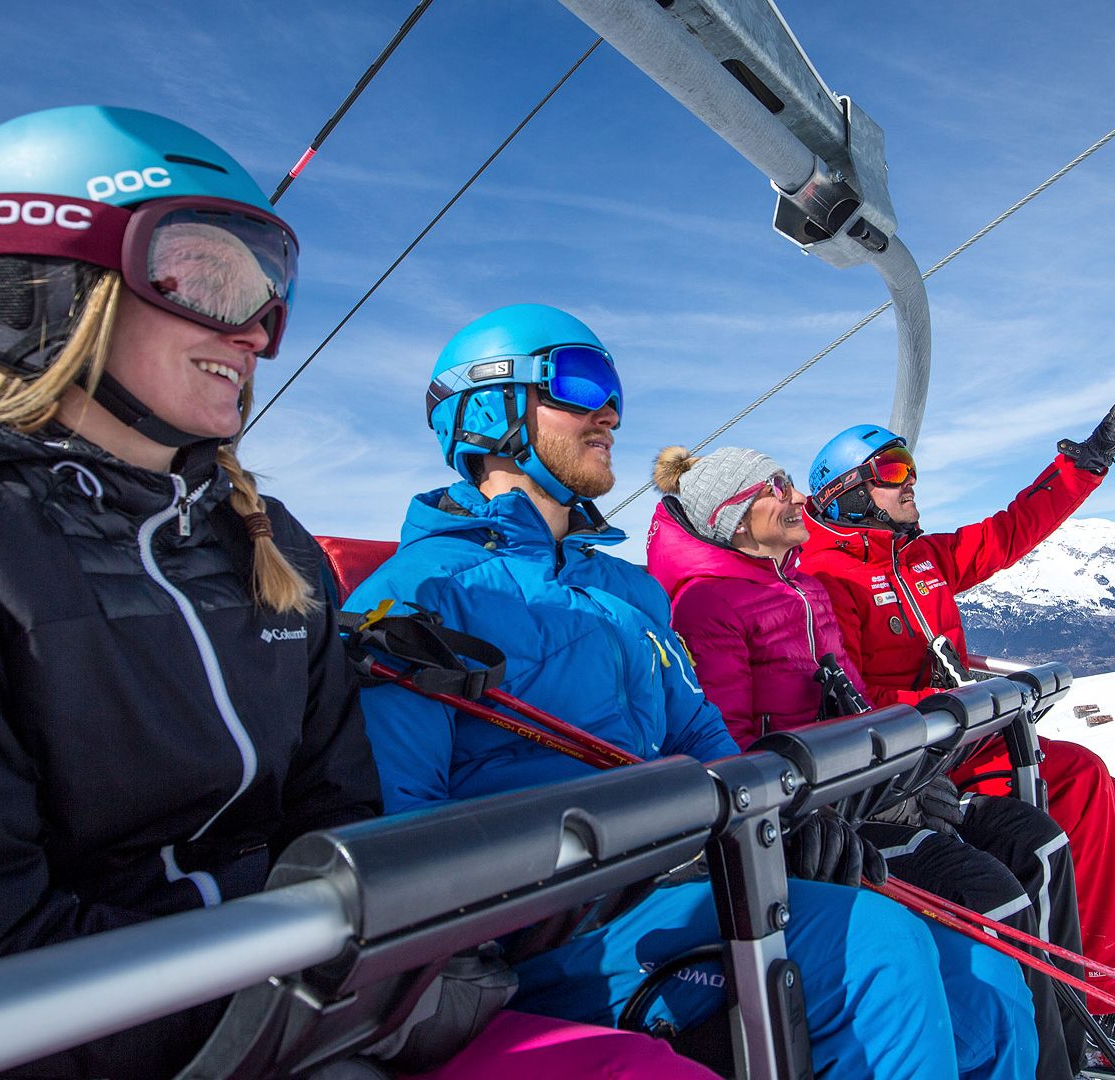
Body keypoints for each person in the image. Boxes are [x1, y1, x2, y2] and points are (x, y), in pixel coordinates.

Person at [0, 106, 705, 1079]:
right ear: (36, 282)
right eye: (207, 276)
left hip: (351, 1006)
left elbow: (353, 822)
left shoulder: (265, 546)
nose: (254, 330)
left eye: (267, 296)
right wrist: (329, 975)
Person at [345, 303, 1039, 1080]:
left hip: (681, 877)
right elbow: (402, 831)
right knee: (880, 952)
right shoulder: (418, 599)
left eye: (614, 391)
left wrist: (783, 824)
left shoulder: (628, 592)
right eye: (580, 383)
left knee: (985, 983)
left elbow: (707, 738)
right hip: (564, 934)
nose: (608, 411)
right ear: (486, 410)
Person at [645, 444, 1091, 1080]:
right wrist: (804, 813)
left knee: (1034, 840)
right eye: (777, 488)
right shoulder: (709, 605)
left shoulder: (805, 591)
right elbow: (727, 748)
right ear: (737, 518)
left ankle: (1073, 1041)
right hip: (806, 814)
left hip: (863, 791)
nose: (798, 498)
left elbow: (856, 716)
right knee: (987, 893)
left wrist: (912, 778)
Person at [799, 392, 1115, 1025]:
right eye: (890, 472)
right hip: (916, 760)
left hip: (967, 734)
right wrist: (946, 701)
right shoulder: (828, 577)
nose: (909, 483)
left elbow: (1012, 530)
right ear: (847, 492)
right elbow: (850, 697)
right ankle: (1094, 1002)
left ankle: (1085, 960)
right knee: (1080, 779)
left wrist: (1090, 459)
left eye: (909, 468)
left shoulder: (922, 558)